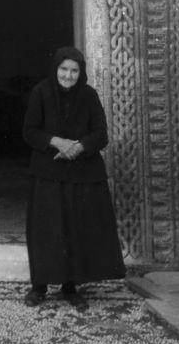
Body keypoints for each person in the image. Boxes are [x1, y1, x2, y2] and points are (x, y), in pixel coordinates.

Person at [22, 45, 125, 306]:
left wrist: (77, 147)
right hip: (48, 173)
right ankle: (39, 286)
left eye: (74, 70)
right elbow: (30, 131)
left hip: (81, 172)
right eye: (64, 69)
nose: (68, 75)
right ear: (55, 69)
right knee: (46, 230)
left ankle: (70, 286)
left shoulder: (89, 96)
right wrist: (58, 142)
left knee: (75, 230)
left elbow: (101, 134)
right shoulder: (41, 93)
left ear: (81, 72)